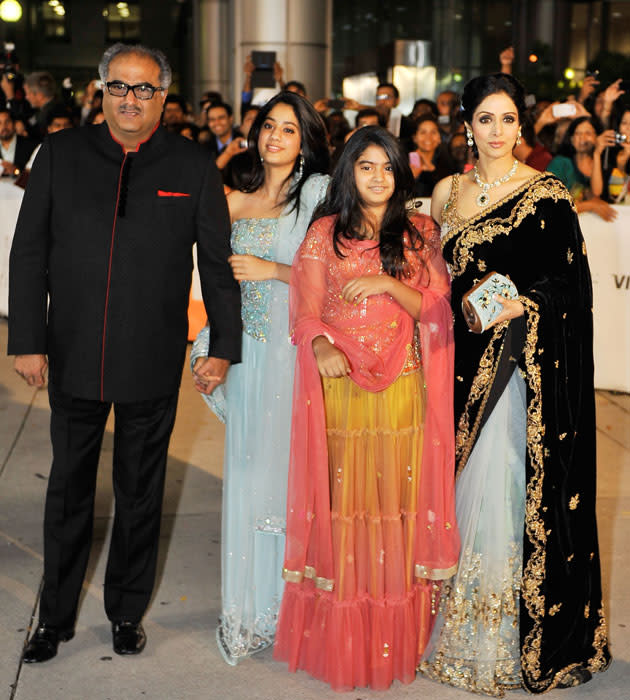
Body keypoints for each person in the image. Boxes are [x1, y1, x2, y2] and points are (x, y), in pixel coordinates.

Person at [8, 42, 241, 663]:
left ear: (163, 97)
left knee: (141, 494)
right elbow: (27, 252)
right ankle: (53, 618)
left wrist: (223, 346)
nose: (130, 99)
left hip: (151, 358)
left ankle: (126, 612)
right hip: (73, 355)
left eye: (144, 89)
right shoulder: (59, 154)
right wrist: (27, 340)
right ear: (101, 92)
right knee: (68, 492)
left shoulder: (193, 166)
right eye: (119, 87)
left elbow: (217, 268)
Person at [419, 72, 611, 695]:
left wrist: (523, 306)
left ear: (521, 127)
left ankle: (499, 640)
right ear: (467, 126)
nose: (496, 132)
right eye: (485, 119)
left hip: (514, 374)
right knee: (446, 491)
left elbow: (572, 289)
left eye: (507, 120)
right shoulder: (447, 191)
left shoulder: (547, 194)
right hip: (450, 360)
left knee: (499, 493)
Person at [274, 126, 459, 691]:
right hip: (344, 392)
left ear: (400, 174)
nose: (378, 177)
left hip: (403, 391)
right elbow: (303, 311)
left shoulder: (420, 232)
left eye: (387, 166)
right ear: (347, 174)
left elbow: (436, 305)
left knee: (396, 506)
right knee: (348, 509)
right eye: (366, 166)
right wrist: (323, 345)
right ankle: (346, 633)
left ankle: (398, 634)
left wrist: (383, 281)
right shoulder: (325, 233)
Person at [191, 91, 330, 665]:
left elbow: (343, 272)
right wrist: (209, 349)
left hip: (295, 357)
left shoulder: (320, 195)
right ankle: (249, 610)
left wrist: (274, 270)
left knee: (295, 481)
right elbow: (219, 290)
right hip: (248, 357)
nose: (275, 136)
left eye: (289, 129)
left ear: (306, 142)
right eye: (269, 125)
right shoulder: (233, 202)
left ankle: (296, 611)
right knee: (248, 476)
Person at [548, 115, 617, 221]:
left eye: (588, 133)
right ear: (571, 139)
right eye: (577, 134)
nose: (582, 138)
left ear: (597, 138)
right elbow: (550, 205)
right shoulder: (561, 164)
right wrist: (589, 206)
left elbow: (597, 193)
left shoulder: (604, 165)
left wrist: (597, 154)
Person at [409, 114, 456, 197]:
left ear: (439, 138)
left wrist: (430, 167)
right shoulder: (406, 161)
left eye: (433, 132)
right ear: (415, 138)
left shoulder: (448, 163)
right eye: (423, 132)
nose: (428, 137)